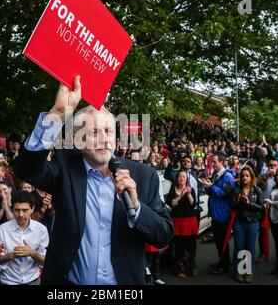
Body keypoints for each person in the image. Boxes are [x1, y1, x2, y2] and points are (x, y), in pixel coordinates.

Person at [14, 76, 172, 285]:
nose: (105, 140)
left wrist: (136, 207)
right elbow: (27, 169)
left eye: (108, 131)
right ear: (77, 139)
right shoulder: (65, 167)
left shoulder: (144, 175)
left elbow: (163, 235)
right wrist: (57, 114)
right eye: (95, 132)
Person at [0, 192, 49, 285]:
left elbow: (46, 261)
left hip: (33, 280)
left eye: (25, 210)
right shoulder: (2, 229)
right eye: (17, 210)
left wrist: (32, 253)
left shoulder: (41, 229)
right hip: (8, 281)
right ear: (12, 209)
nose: (20, 214)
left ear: (32, 209)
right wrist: (12, 255)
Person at [199, 153, 235, 275]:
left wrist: (211, 186)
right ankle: (222, 261)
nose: (212, 164)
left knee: (222, 241)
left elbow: (227, 195)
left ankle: (224, 266)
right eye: (211, 162)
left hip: (223, 215)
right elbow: (214, 192)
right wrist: (207, 186)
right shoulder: (215, 174)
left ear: (222, 162)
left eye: (214, 162)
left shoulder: (228, 176)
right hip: (215, 213)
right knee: (218, 241)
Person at [230, 166, 264, 283]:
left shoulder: (257, 190)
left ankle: (248, 271)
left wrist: (249, 204)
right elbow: (232, 206)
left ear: (251, 177)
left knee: (250, 248)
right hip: (239, 222)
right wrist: (240, 202)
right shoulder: (236, 190)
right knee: (239, 247)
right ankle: (239, 270)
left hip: (253, 223)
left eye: (247, 175)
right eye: (243, 175)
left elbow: (261, 208)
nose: (245, 178)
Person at [166, 170, 198, 278]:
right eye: (180, 176)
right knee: (179, 247)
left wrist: (188, 193)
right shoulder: (173, 189)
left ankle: (191, 268)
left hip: (189, 221)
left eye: (184, 177)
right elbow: (172, 203)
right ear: (177, 178)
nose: (182, 178)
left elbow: (193, 204)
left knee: (190, 246)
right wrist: (180, 196)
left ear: (186, 179)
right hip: (178, 221)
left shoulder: (191, 189)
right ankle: (180, 269)